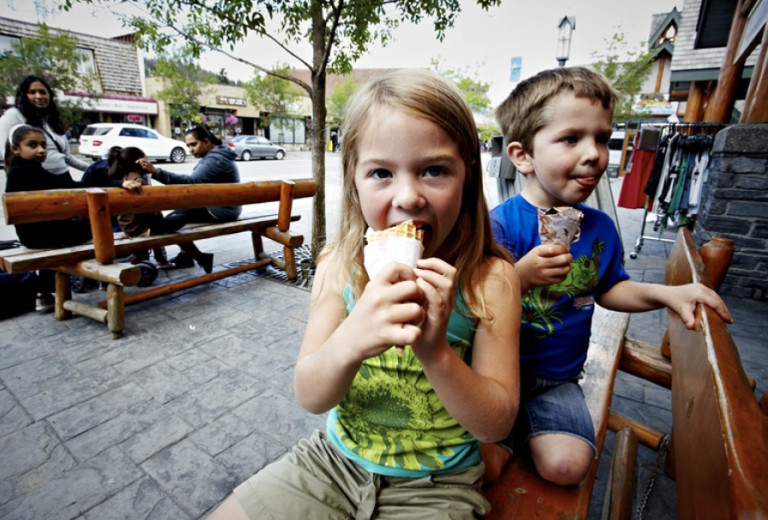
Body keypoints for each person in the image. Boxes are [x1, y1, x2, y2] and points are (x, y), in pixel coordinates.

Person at [206, 69, 521, 520]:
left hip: (437, 483)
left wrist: (435, 352)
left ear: (468, 177)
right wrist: (352, 338)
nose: (408, 196)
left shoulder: (491, 280)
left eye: (434, 170)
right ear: (354, 180)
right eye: (380, 173)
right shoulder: (339, 265)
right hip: (333, 463)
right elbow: (311, 395)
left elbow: (496, 423)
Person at [484, 66, 733, 486]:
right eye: (571, 138)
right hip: (496, 374)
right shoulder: (499, 226)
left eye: (602, 137)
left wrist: (668, 294)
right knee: (484, 470)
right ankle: (512, 431)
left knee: (567, 467)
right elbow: (475, 303)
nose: (594, 153)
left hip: (557, 379)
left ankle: (530, 429)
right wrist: (518, 278)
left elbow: (611, 288)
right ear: (522, 155)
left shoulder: (598, 227)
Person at [4, 124, 92, 309]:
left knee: (81, 227)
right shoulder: (27, 171)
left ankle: (44, 292)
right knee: (96, 227)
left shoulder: (20, 169)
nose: (41, 150)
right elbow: (66, 188)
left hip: (34, 235)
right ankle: (92, 275)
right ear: (15, 148)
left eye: (44, 145)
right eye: (33, 145)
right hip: (42, 236)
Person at [137, 125, 241, 274]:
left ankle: (198, 257)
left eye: (193, 144)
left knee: (171, 221)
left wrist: (156, 172)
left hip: (220, 211)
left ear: (206, 141)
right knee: (176, 217)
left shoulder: (215, 160)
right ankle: (188, 256)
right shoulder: (219, 155)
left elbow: (191, 183)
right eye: (188, 146)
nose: (190, 150)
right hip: (224, 206)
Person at [0, 75, 89, 177]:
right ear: (23, 95)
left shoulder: (50, 119)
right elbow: (8, 156)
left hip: (62, 177)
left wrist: (92, 168)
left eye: (42, 92)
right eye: (32, 92)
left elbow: (66, 157)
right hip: (35, 181)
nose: (39, 96)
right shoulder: (13, 116)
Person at [105, 146, 171, 269]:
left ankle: (149, 259)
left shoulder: (126, 180)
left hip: (127, 225)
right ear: (140, 162)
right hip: (141, 228)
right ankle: (161, 260)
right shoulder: (139, 182)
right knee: (173, 221)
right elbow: (152, 210)